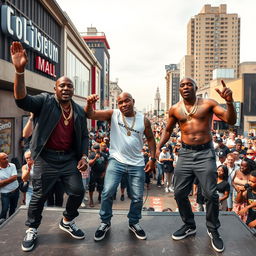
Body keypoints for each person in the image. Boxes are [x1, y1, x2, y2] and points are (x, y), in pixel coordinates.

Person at [10, 41, 89, 252]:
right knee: (38, 196)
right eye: (61, 85)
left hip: (69, 159)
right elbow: (22, 101)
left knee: (77, 191)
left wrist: (83, 155)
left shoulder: (79, 111)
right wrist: (19, 72)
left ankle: (67, 220)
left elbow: (84, 136)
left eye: (69, 85)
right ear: (55, 88)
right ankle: (32, 228)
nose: (65, 88)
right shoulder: (45, 101)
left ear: (73, 90)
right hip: (46, 158)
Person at [156, 78, 236, 253]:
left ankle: (213, 229)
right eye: (182, 85)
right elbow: (168, 130)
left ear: (195, 88)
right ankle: (189, 224)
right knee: (179, 193)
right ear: (179, 90)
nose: (185, 87)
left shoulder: (208, 103)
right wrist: (158, 145)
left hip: (205, 153)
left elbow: (230, 120)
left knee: (210, 194)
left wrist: (229, 102)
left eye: (189, 84)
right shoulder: (175, 109)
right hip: (184, 153)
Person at [85, 92, 156, 241]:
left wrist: (152, 158)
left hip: (136, 163)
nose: (124, 104)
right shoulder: (113, 114)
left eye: (127, 101)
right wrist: (89, 104)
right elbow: (91, 115)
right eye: (120, 102)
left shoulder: (143, 120)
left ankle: (134, 222)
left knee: (137, 197)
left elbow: (150, 138)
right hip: (116, 161)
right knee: (107, 192)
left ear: (133, 101)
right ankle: (105, 222)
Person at [0, 152, 19, 224]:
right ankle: (2, 223)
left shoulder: (12, 165)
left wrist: (3, 182)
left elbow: (14, 178)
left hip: (15, 191)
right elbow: (12, 178)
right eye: (4, 159)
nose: (7, 160)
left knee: (13, 208)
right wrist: (10, 179)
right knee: (4, 209)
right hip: (5, 194)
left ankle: (11, 222)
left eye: (7, 157)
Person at [88, 143, 108, 207]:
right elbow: (90, 164)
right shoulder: (92, 155)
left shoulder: (103, 155)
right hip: (93, 173)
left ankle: (100, 197)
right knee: (91, 187)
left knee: (101, 187)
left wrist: (104, 172)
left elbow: (106, 163)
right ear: (93, 149)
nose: (97, 150)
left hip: (101, 173)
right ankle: (91, 200)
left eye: (98, 148)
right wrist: (95, 159)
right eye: (95, 148)